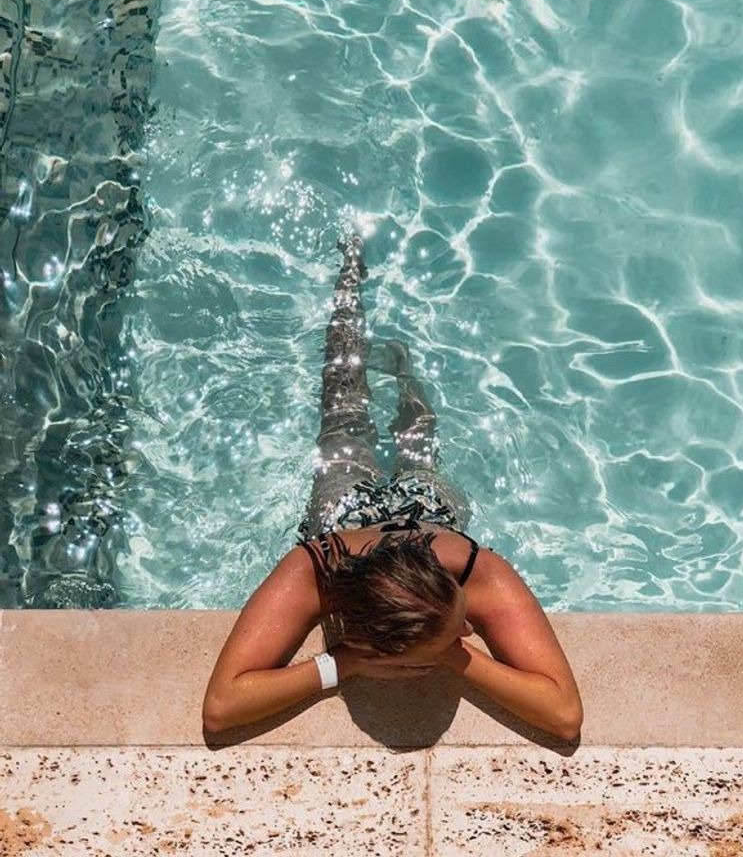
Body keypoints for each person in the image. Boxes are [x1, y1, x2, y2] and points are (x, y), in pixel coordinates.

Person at [202, 235, 583, 742]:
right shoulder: (314, 571)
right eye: (461, 634)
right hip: (352, 518)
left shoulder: (475, 572)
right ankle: (349, 294)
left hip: (417, 514)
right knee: (352, 419)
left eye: (458, 626)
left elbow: (564, 715)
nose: (469, 633)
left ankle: (402, 371)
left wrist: (456, 656)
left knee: (391, 433)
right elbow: (222, 707)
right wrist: (343, 666)